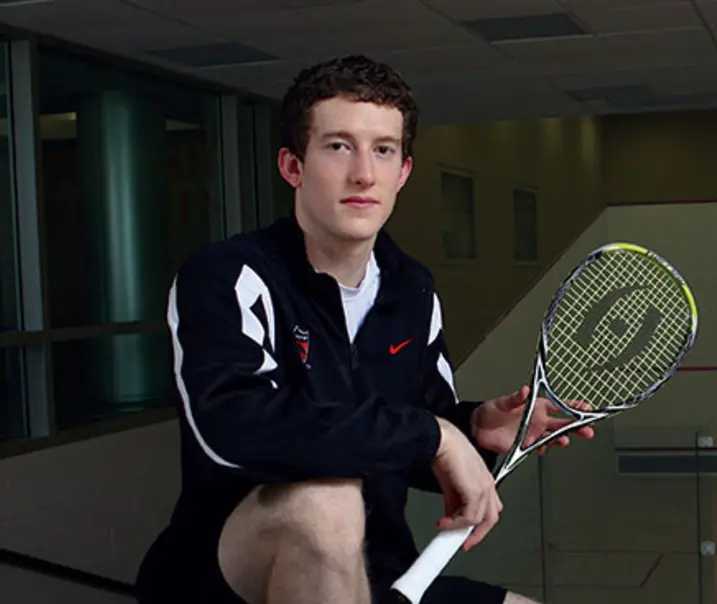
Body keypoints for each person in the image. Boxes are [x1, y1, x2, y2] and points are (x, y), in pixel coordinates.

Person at [135, 54, 593, 604]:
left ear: (403, 172)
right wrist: (435, 436)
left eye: (383, 150)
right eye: (337, 146)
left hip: (382, 576)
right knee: (325, 503)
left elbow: (418, 434)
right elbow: (234, 428)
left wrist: (472, 426)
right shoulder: (228, 274)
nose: (363, 174)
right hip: (228, 577)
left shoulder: (411, 288)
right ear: (292, 166)